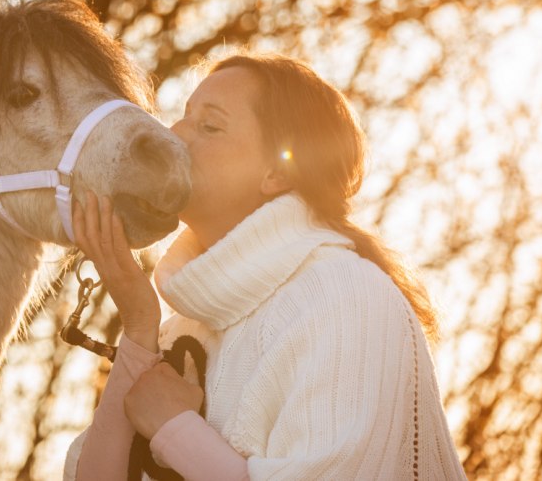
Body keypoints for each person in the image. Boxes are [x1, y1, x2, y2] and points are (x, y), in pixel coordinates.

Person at [63, 53, 467, 480]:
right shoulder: (181, 328)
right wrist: (139, 327)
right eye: (183, 116)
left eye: (209, 126)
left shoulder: (348, 298)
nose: (175, 134)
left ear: (277, 171)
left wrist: (175, 430)